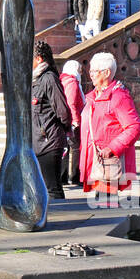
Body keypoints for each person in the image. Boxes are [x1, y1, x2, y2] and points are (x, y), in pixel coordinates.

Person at [80, 52, 140, 202]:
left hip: (108, 162)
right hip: (95, 161)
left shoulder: (118, 97)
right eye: (90, 71)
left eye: (94, 71)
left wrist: (112, 148)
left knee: (105, 207)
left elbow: (134, 127)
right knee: (99, 206)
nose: (91, 75)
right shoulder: (93, 96)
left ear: (107, 73)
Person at [31, 40, 71, 200]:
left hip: (49, 142)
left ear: (39, 59)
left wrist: (63, 130)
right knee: (42, 189)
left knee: (52, 189)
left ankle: (63, 220)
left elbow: (63, 110)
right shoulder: (36, 80)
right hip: (38, 143)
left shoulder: (49, 79)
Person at [59, 59, 84, 188]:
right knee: (76, 148)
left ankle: (62, 177)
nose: (81, 71)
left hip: (64, 120)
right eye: (79, 69)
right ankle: (75, 176)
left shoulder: (63, 80)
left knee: (66, 148)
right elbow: (71, 103)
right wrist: (75, 121)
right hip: (72, 121)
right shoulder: (72, 82)